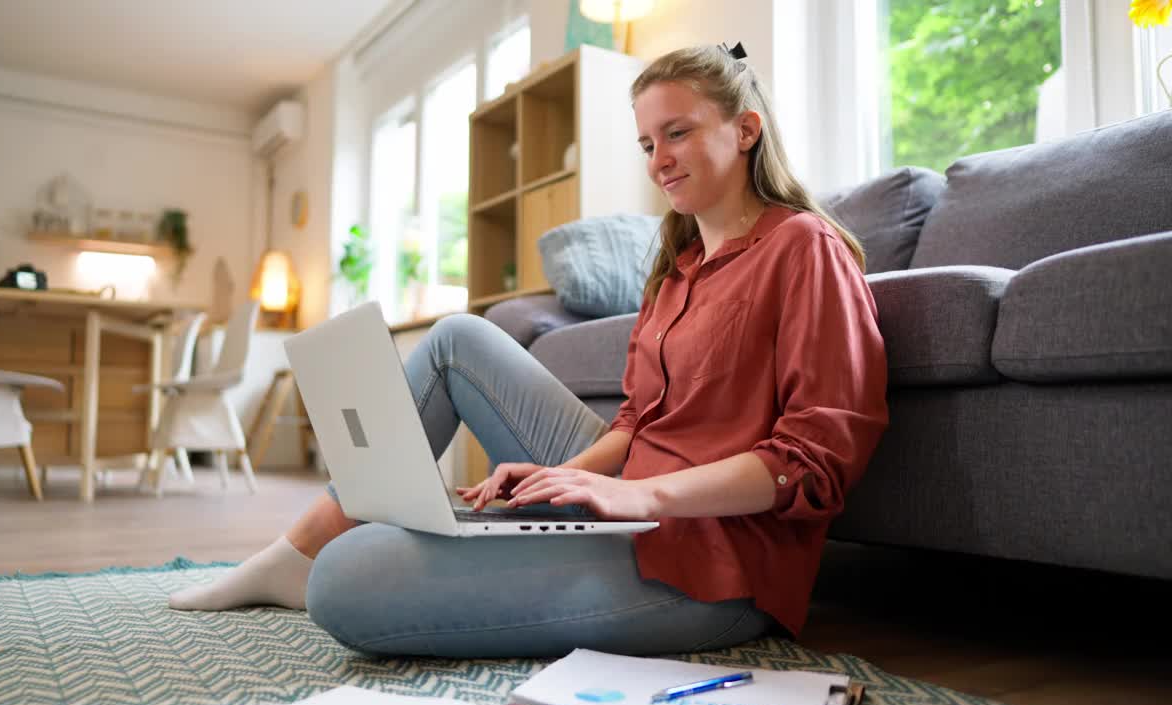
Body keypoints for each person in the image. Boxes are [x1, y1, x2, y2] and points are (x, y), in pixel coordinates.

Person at [168, 43, 888, 659]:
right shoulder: (678, 266)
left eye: (677, 133)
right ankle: (297, 548)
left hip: (717, 565)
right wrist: (560, 479)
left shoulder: (805, 248)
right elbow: (638, 423)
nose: (658, 161)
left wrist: (638, 493)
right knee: (456, 338)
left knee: (347, 581)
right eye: (646, 144)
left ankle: (322, 562)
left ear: (746, 130)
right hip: (633, 499)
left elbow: (813, 462)